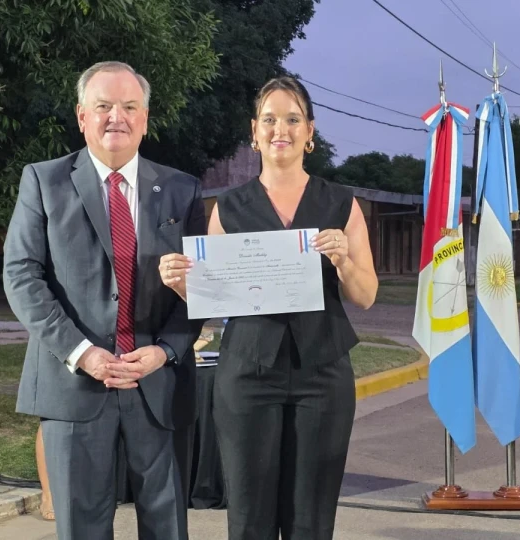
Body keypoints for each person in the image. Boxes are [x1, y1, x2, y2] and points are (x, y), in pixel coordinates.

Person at [158, 76, 378, 539]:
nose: (282, 129)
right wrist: (182, 285)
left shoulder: (341, 203)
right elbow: (210, 300)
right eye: (270, 119)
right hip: (247, 376)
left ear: (310, 132)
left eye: (293, 119)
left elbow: (366, 294)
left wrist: (342, 260)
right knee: (249, 517)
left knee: (311, 520)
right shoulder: (229, 207)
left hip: (323, 374)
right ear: (254, 132)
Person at [4, 60, 206, 540]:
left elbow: (200, 287)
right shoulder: (43, 180)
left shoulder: (182, 189)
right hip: (73, 385)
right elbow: (21, 275)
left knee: (167, 526)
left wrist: (165, 350)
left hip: (157, 386)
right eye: (104, 106)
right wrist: (83, 353)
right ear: (81, 116)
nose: (117, 116)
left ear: (145, 119)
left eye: (130, 106)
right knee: (83, 528)